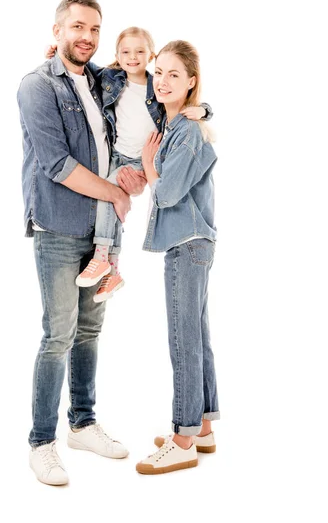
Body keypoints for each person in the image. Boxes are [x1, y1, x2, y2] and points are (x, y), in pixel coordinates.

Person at [17, 0, 146, 486]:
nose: (86, 36)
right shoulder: (36, 86)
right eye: (77, 27)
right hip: (58, 228)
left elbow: (144, 97)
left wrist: (133, 175)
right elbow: (57, 165)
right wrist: (115, 190)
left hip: (103, 234)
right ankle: (42, 442)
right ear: (57, 31)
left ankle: (83, 424)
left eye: (94, 28)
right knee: (58, 336)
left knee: (90, 332)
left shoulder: (102, 79)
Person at [45, 31, 213, 302]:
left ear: (150, 54)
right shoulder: (111, 79)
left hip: (138, 160)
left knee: (109, 194)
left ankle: (103, 257)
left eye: (139, 52)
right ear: (117, 56)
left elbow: (187, 99)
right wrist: (59, 53)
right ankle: (113, 270)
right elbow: (83, 67)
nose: (132, 58)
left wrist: (205, 110)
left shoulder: (155, 87)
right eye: (125, 52)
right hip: (116, 156)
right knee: (112, 203)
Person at [136, 40, 220, 475]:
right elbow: (122, 75)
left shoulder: (185, 130)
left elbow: (167, 193)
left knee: (183, 341)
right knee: (197, 337)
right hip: (194, 243)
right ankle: (202, 428)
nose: (163, 81)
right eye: (159, 72)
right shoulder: (176, 123)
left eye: (174, 74)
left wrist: (150, 163)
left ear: (191, 83)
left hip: (186, 243)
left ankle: (183, 438)